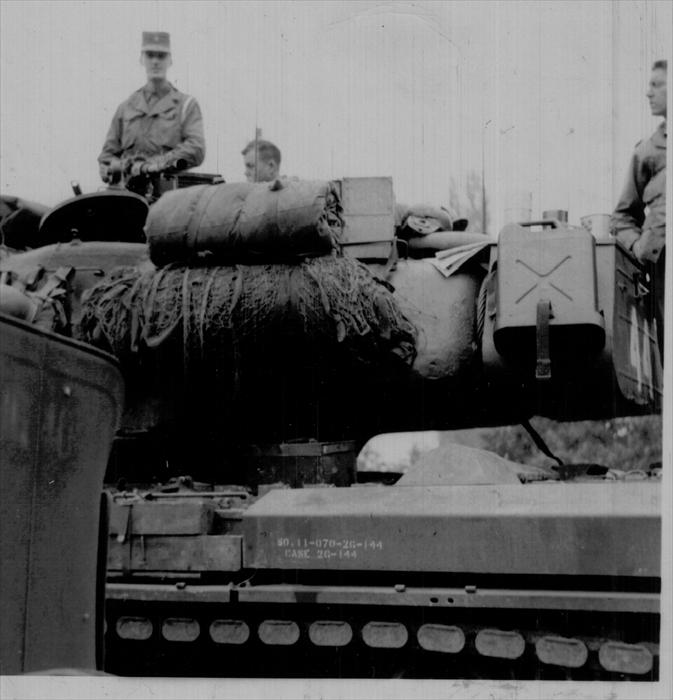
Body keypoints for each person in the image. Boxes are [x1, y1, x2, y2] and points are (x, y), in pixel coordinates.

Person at [98, 32, 205, 188]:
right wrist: (118, 167)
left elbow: (196, 149)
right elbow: (107, 156)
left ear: (170, 60)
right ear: (141, 59)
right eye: (150, 55)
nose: (155, 61)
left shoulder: (186, 105)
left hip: (169, 197)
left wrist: (154, 164)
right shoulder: (126, 108)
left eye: (161, 56)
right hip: (128, 194)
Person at [611, 59, 667, 362]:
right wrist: (638, 245)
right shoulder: (646, 152)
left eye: (657, 85)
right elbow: (621, 217)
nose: (649, 93)